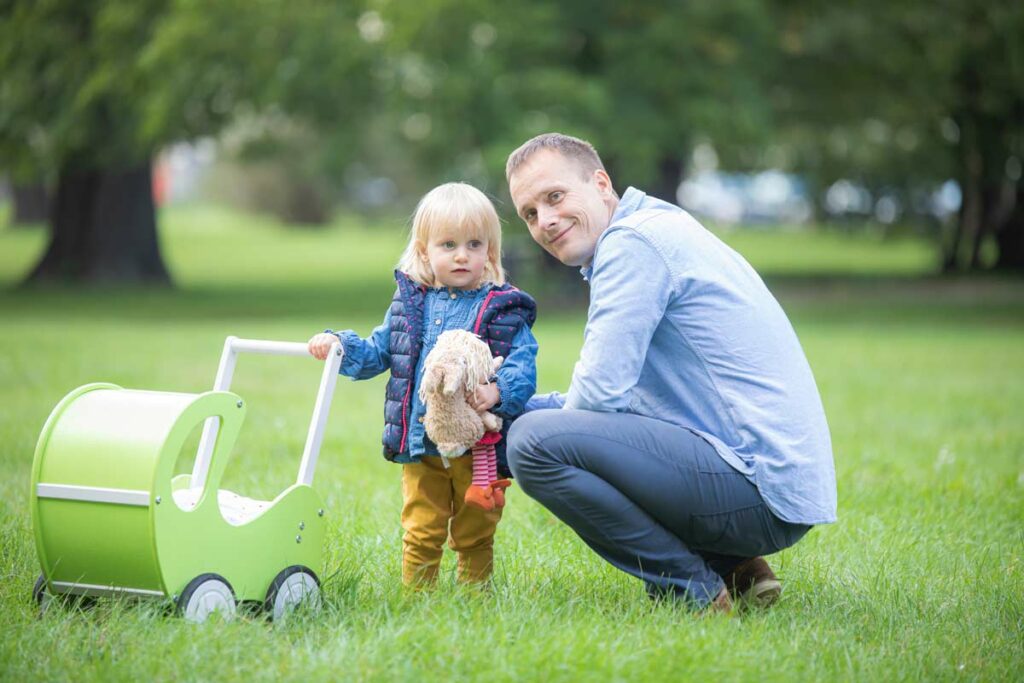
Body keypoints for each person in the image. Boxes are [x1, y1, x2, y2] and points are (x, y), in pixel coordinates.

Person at [504, 133, 836, 612]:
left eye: (554, 197)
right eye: (530, 214)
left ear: (600, 183)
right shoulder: (652, 228)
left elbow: (598, 400)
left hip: (762, 484)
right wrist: (507, 405)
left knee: (532, 444)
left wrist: (515, 420)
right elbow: (626, 409)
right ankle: (738, 568)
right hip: (771, 480)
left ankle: (693, 589)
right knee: (530, 427)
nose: (545, 221)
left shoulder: (632, 244)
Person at [308, 182, 538, 586]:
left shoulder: (501, 307)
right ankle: (418, 599)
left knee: (476, 528)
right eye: (448, 244)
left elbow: (522, 362)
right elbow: (379, 351)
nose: (462, 255)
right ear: (424, 251)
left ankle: (475, 599)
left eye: (474, 244)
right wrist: (339, 345)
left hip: (477, 447)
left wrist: (497, 392)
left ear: (491, 252)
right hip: (419, 444)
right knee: (421, 527)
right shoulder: (410, 304)